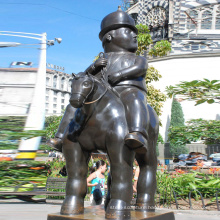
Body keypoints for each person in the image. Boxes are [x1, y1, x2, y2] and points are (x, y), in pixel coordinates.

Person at [49, 6, 149, 154]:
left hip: (128, 90)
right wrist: (93, 67)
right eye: (128, 32)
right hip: (105, 95)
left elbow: (140, 69)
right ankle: (60, 137)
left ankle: (137, 133)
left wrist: (120, 74)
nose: (135, 36)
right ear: (109, 37)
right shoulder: (102, 60)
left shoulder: (137, 58)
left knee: (135, 100)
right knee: (73, 106)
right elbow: (83, 77)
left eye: (134, 33)